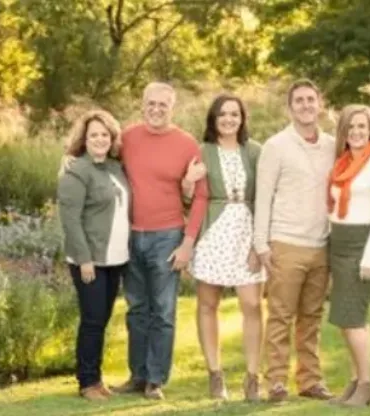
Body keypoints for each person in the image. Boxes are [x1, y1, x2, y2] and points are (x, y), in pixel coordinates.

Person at [112, 82, 208, 401]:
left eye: (162, 105)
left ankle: (156, 379)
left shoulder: (186, 144)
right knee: (137, 309)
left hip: (167, 237)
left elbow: (200, 197)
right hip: (130, 235)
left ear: (172, 108)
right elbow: (98, 158)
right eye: (150, 104)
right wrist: (71, 162)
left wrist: (188, 243)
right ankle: (137, 375)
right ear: (142, 105)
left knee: (163, 311)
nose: (156, 109)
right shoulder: (127, 138)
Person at [254, 79, 336, 403]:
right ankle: (275, 382)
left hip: (321, 243)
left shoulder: (332, 145)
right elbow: (263, 197)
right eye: (298, 101)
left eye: (310, 100)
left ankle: (310, 380)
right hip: (286, 242)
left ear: (320, 104)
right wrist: (261, 244)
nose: (305, 105)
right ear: (290, 108)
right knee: (280, 316)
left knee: (312, 318)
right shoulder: (276, 146)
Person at [182, 94, 264, 402]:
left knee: (252, 305)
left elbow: (266, 197)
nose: (229, 119)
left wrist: (260, 243)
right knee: (207, 304)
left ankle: (253, 377)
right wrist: (189, 182)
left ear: (242, 118)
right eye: (222, 114)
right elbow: (189, 198)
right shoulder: (202, 152)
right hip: (214, 231)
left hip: (247, 230)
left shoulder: (255, 151)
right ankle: (215, 374)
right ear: (213, 119)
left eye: (234, 114)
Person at [56, 109, 130, 401]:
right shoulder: (76, 171)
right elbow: (70, 220)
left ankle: (97, 379)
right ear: (83, 140)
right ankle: (87, 382)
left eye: (104, 134)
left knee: (102, 319)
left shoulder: (115, 168)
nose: (99, 139)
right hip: (90, 261)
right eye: (93, 135)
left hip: (115, 259)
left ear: (111, 138)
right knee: (92, 320)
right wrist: (84, 259)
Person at [326, 104, 370, 407]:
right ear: (343, 131)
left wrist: (368, 258)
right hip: (339, 244)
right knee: (346, 319)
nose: (356, 132)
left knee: (353, 318)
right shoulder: (342, 163)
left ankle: (366, 386)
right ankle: (355, 382)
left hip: (361, 246)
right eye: (351, 127)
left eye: (362, 127)